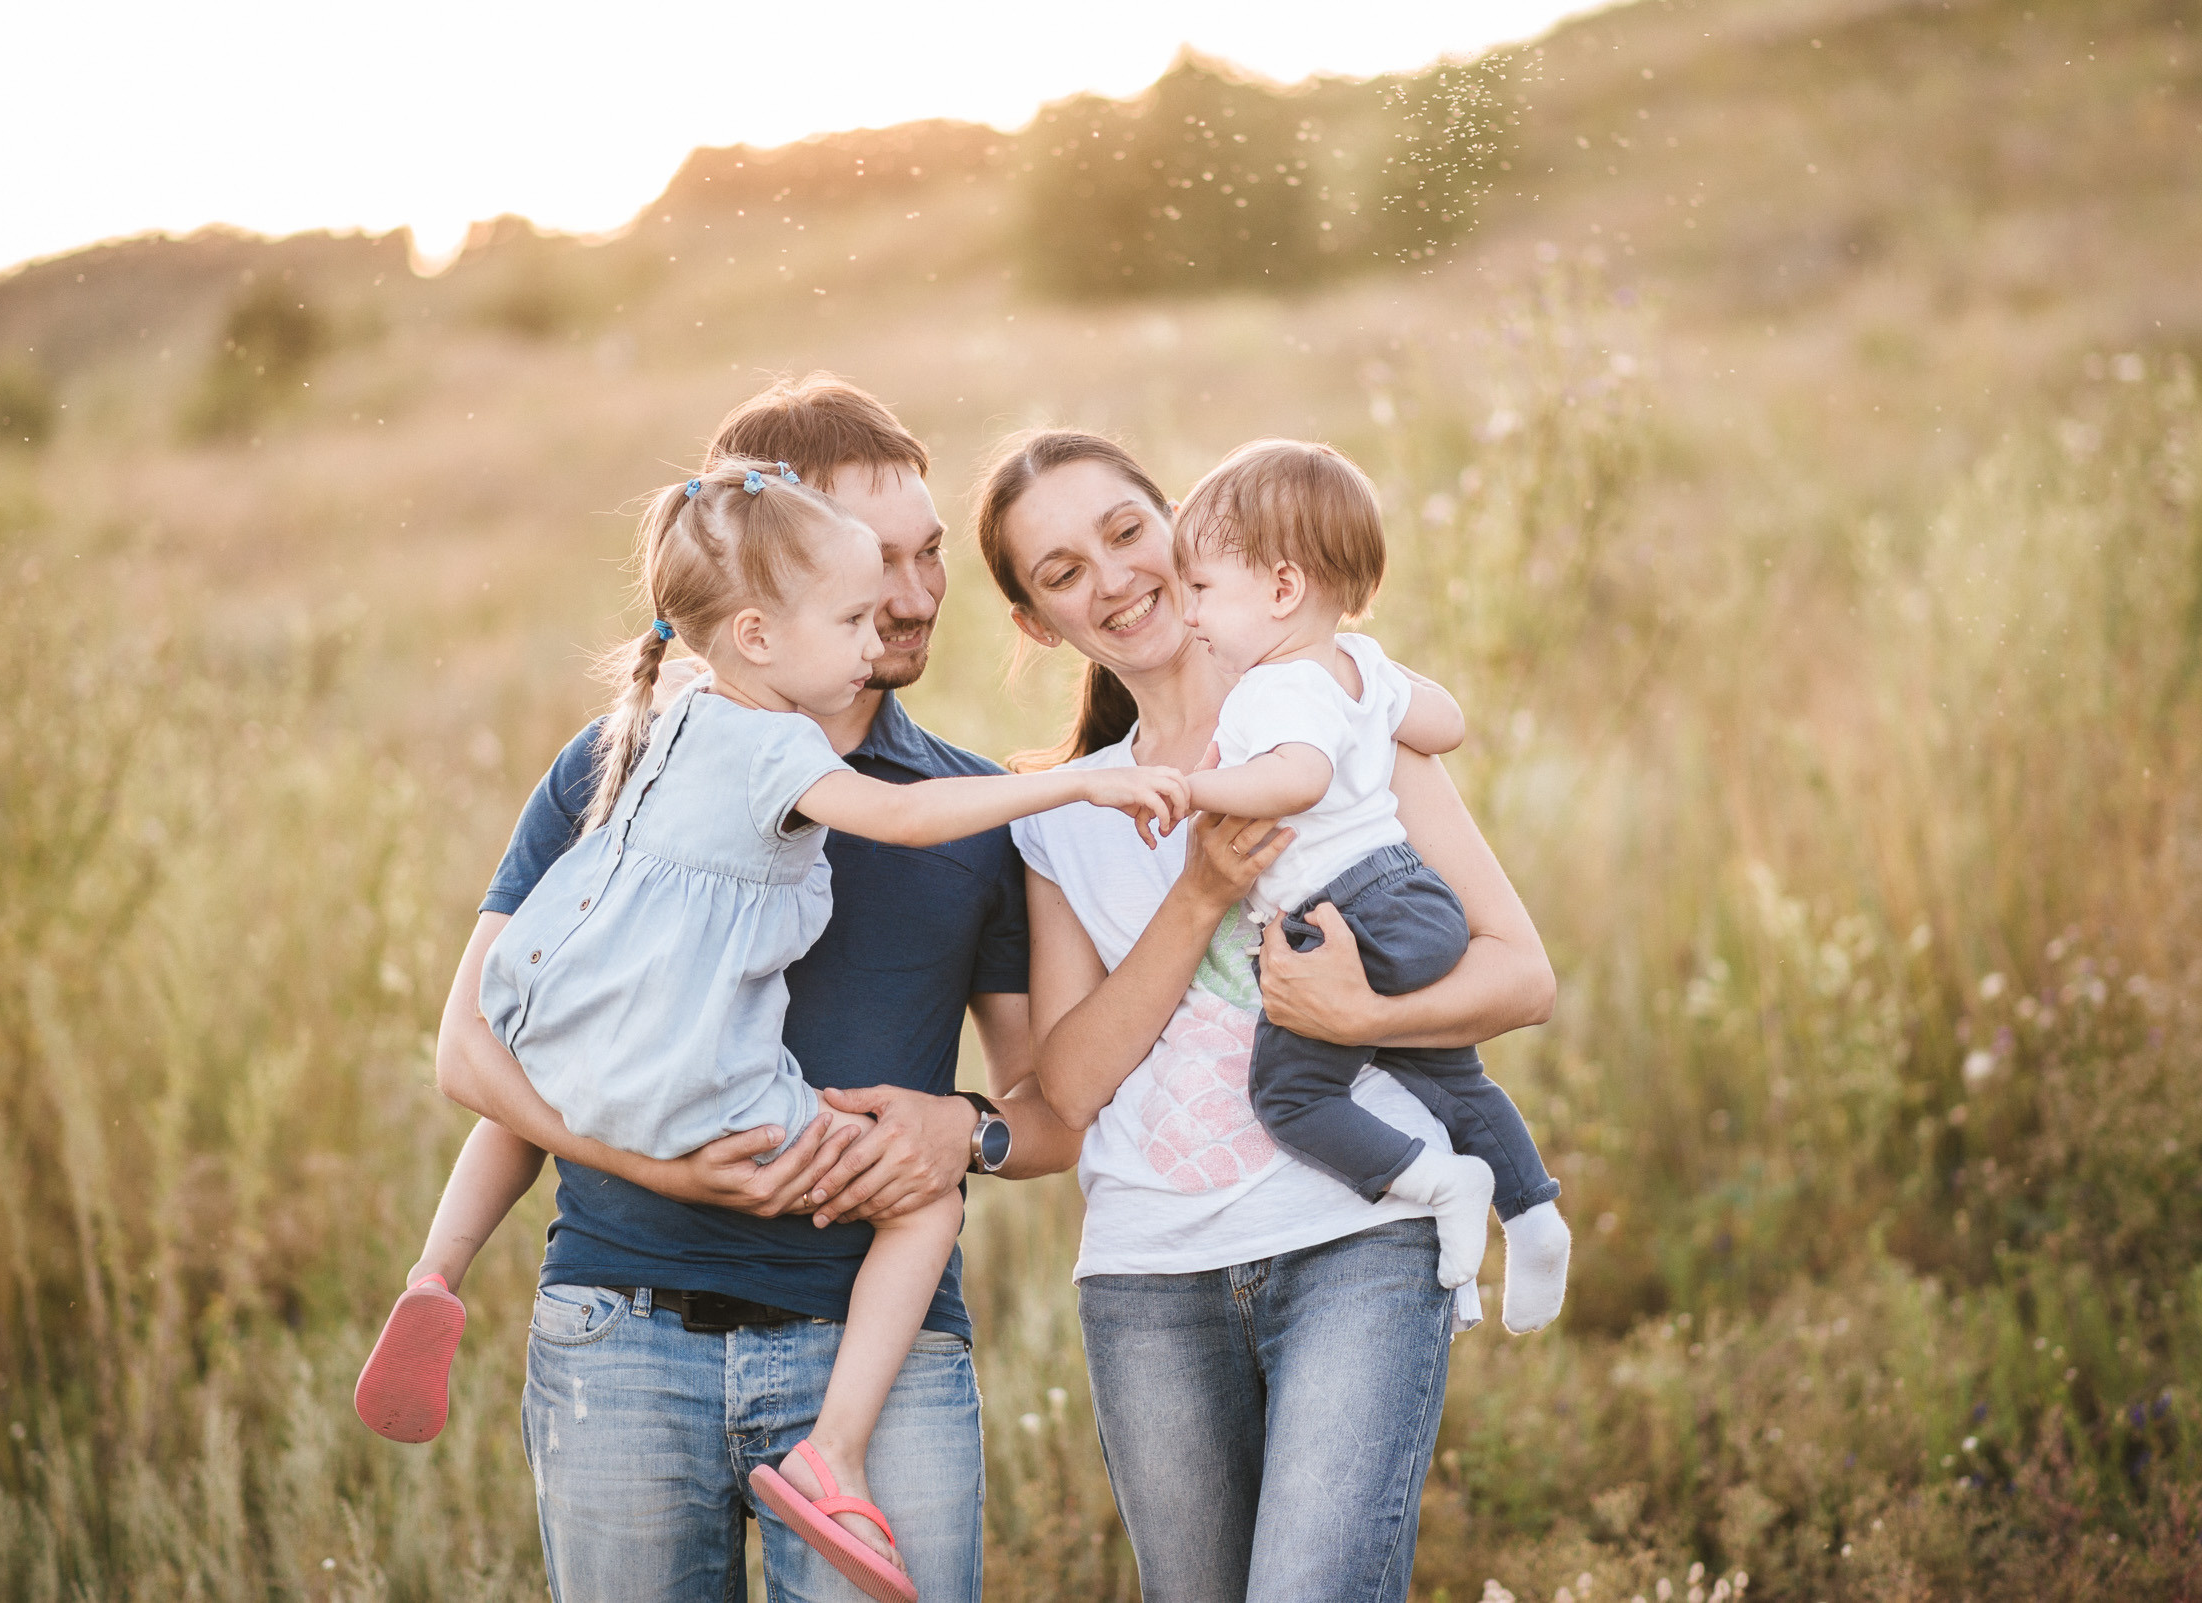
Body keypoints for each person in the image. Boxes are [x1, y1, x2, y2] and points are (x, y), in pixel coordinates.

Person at [427, 376, 1086, 1603]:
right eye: (874, 560)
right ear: (763, 601)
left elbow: (1056, 1115)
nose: (912, 593)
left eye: (929, 551)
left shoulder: (973, 812)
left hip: (881, 1360)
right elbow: (474, 1052)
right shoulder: (620, 762)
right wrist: (673, 1171)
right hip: (623, 1334)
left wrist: (967, 1131)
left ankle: (830, 1454)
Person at [977, 429, 1558, 1603]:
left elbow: (1521, 975)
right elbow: (1068, 1089)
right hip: (1150, 1276)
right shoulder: (1060, 817)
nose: (1115, 577)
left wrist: (1359, 1014)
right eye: (1064, 572)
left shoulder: (1329, 712)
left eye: (1127, 532)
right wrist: (1198, 894)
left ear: (1182, 524)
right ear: (1040, 625)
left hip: (1359, 1236)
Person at [1173, 438, 1572, 1334]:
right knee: (1448, 1073)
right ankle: (1533, 1215)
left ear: (1282, 589)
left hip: (1341, 913)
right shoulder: (1356, 665)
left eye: (1201, 588)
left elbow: (1299, 779)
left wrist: (1193, 789)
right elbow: (1448, 723)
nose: (1188, 613)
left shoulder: (1268, 688)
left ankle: (1442, 1183)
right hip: (1414, 896)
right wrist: (1377, 685)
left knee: (1291, 1095)